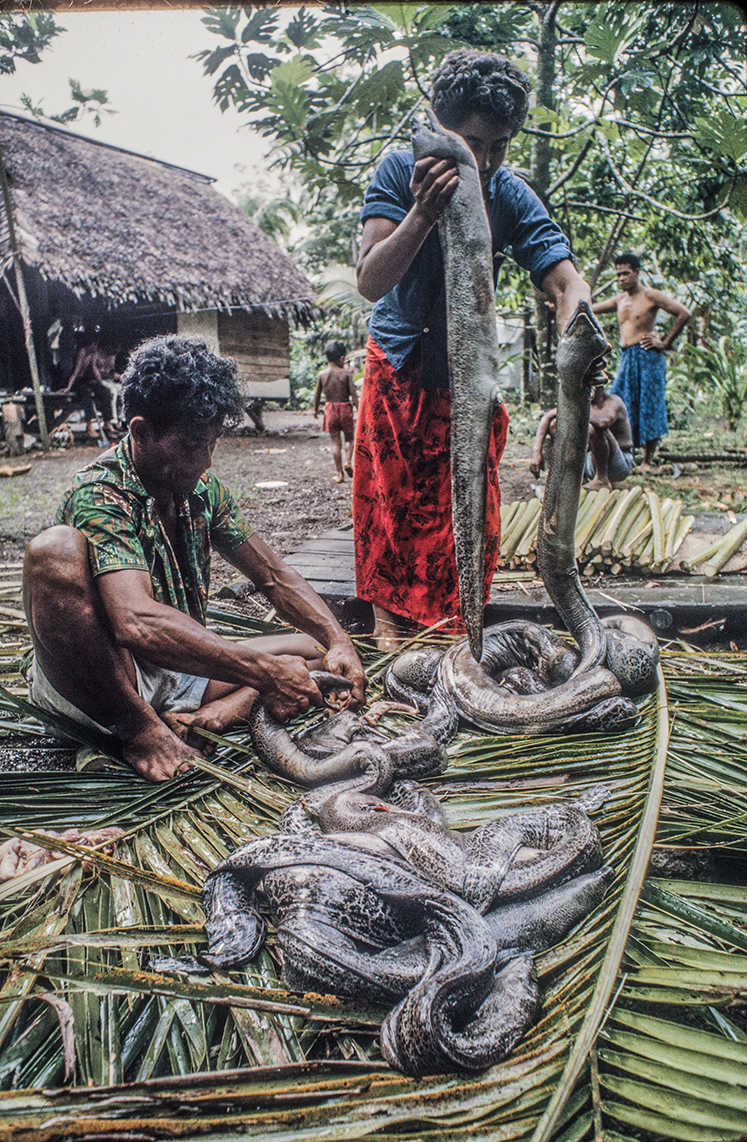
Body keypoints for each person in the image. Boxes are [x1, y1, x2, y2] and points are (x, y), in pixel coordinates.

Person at [23, 335, 366, 783]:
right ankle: (139, 730)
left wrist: (338, 639)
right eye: (190, 445)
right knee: (54, 550)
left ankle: (220, 711)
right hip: (105, 680)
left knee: (312, 651)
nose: (204, 460)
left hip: (172, 672)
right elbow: (137, 622)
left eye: (211, 443)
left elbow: (275, 578)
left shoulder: (202, 491)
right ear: (141, 432)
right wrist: (262, 672)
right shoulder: (101, 495)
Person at [354, 49, 600, 652]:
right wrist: (423, 212)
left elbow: (566, 280)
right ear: (440, 127)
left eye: (499, 146)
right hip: (402, 364)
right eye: (471, 143)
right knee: (392, 502)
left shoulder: (508, 193)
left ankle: (455, 625)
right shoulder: (397, 171)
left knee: (470, 505)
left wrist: (580, 332)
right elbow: (370, 279)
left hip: (470, 377)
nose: (484, 161)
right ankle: (389, 625)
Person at [592, 253, 691, 469]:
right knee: (621, 401)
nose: (621, 278)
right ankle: (626, 452)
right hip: (627, 357)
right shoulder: (619, 300)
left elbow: (683, 313)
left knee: (650, 404)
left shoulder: (650, 295)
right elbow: (591, 307)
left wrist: (664, 342)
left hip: (648, 356)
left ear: (637, 272)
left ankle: (648, 460)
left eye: (626, 273)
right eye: (618, 275)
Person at [530, 382, 635, 490]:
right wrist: (536, 452)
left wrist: (575, 410)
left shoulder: (614, 401)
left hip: (620, 464)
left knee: (592, 427)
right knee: (555, 424)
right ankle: (578, 477)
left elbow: (603, 422)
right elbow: (547, 417)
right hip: (590, 462)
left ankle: (601, 479)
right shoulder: (581, 403)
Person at [62, 328, 121, 443]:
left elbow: (95, 370)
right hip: (78, 381)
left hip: (88, 381)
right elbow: (76, 372)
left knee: (105, 392)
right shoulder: (82, 352)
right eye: (95, 344)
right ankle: (89, 426)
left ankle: (107, 423)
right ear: (92, 344)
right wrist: (69, 387)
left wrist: (101, 384)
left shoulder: (93, 354)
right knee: (86, 394)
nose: (96, 347)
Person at [313, 340, 358, 483]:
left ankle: (339, 474)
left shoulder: (322, 375)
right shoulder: (346, 374)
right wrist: (359, 409)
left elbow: (317, 395)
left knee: (335, 442)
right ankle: (348, 462)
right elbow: (354, 395)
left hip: (330, 409)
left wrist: (315, 410)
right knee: (350, 439)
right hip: (345, 408)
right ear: (342, 358)